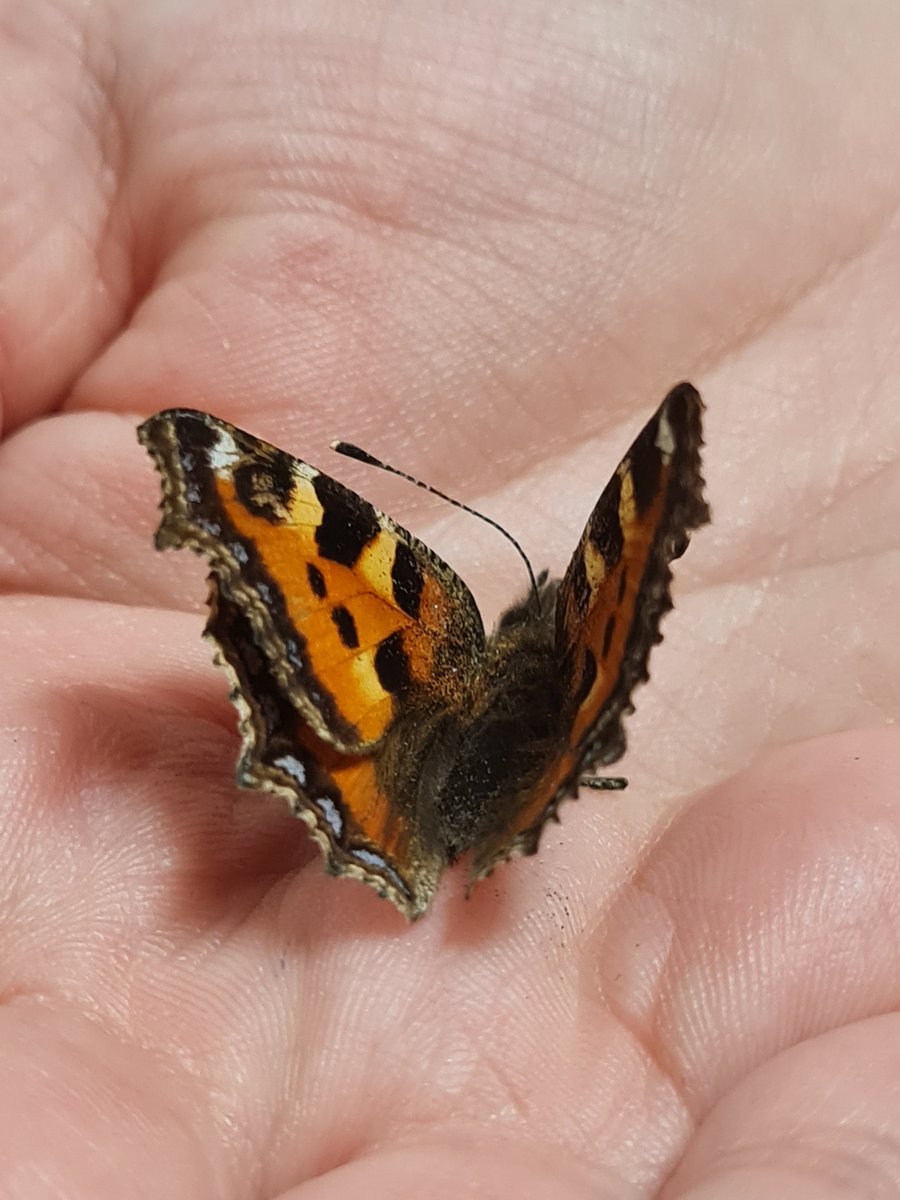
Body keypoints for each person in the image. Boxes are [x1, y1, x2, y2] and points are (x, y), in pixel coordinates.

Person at [0, 3, 898, 1195]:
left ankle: (394, 811)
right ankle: (459, 802)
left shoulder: (424, 618)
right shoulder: (558, 624)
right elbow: (615, 598)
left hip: (389, 751)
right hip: (535, 749)